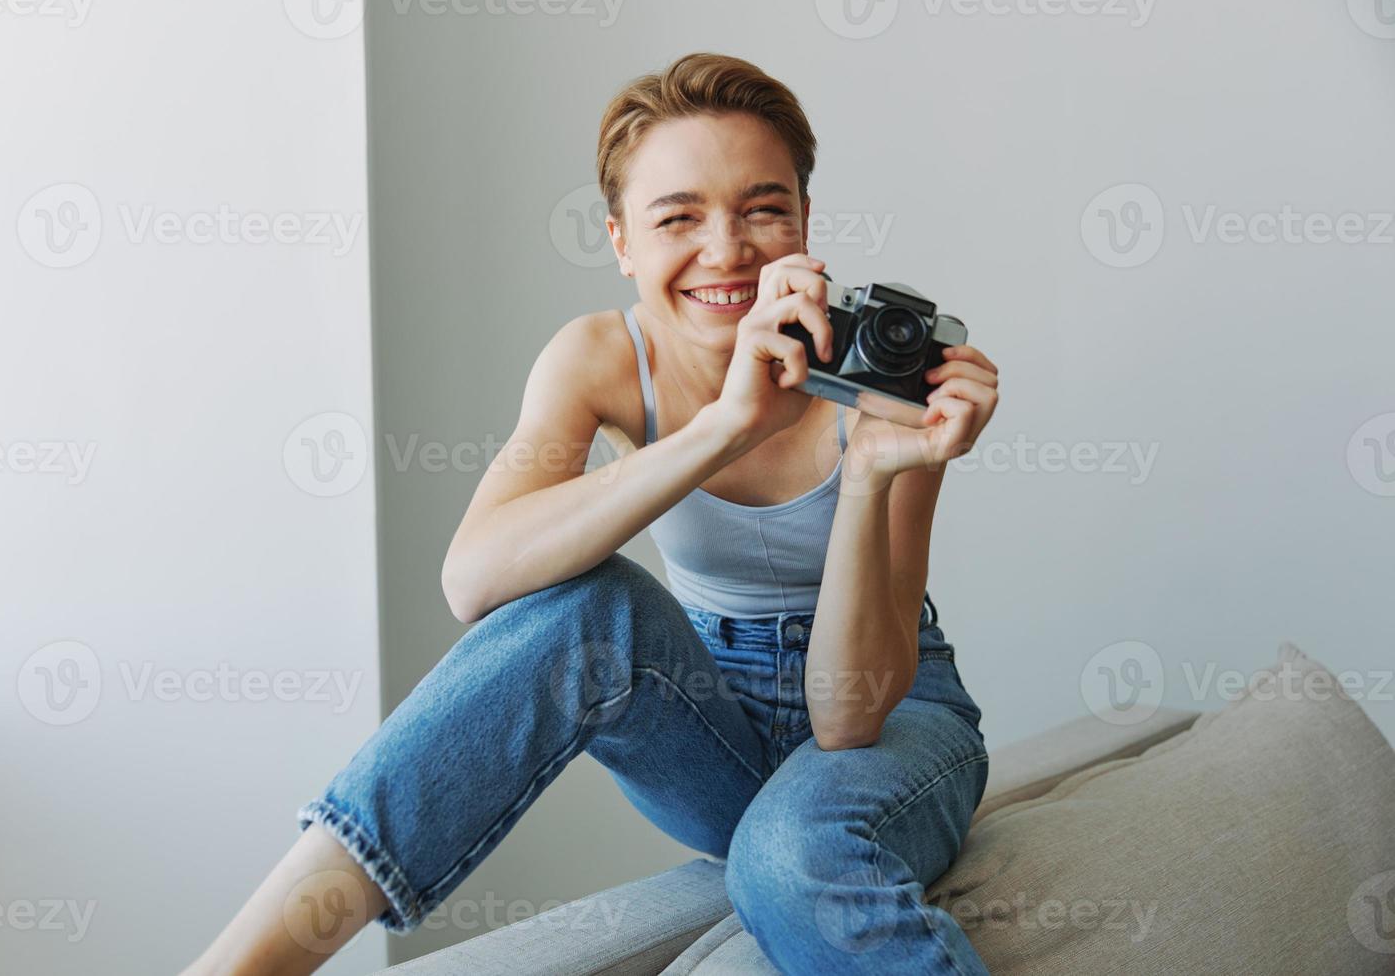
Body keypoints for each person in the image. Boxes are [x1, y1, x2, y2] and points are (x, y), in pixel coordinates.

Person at [182, 50, 1002, 976]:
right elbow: (476, 578)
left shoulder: (883, 386)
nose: (726, 250)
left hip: (892, 720)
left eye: (762, 208)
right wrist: (726, 426)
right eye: (677, 218)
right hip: (710, 714)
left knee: (788, 856)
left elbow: (848, 721)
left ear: (805, 221)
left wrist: (870, 473)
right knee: (585, 605)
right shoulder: (599, 359)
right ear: (621, 241)